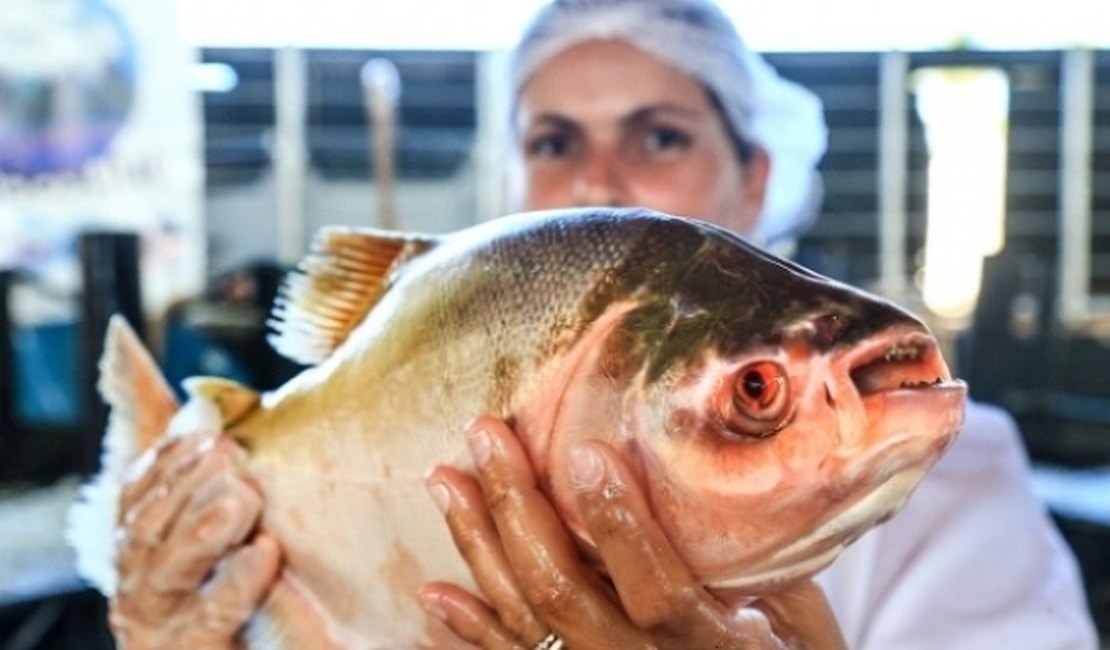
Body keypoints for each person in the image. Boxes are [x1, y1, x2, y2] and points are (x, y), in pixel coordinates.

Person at [105, 0, 1100, 648]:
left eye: (659, 135)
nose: (597, 180)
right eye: (554, 141)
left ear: (756, 174)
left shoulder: (959, 480)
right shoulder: (415, 338)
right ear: (514, 185)